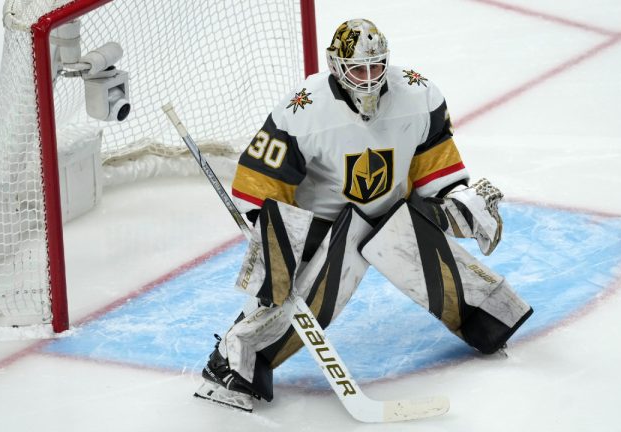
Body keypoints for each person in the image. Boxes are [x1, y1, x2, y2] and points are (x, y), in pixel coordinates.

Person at [194, 18, 533, 412]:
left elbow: (435, 170)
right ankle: (234, 364)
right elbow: (260, 183)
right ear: (336, 66)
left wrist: (462, 206)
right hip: (324, 224)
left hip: (394, 210)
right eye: (358, 69)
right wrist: (273, 243)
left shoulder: (419, 95)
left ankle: (487, 317)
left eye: (376, 67)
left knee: (424, 249)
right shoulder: (301, 109)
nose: (369, 79)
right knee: (305, 297)